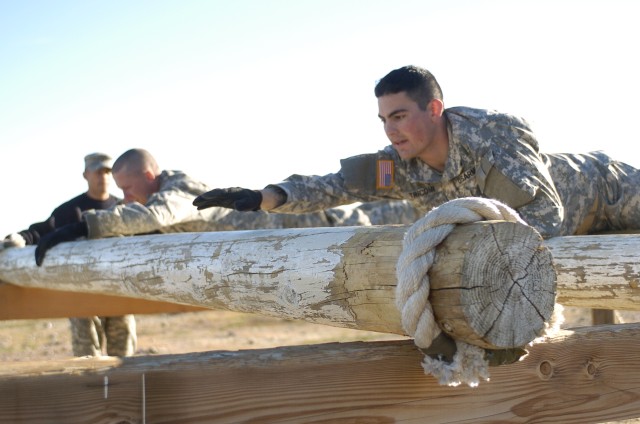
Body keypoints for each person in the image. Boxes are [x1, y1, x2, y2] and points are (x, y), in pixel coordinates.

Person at [192, 65, 640, 239]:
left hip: (608, 189)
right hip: (581, 229)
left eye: (400, 116)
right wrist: (266, 196)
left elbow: (546, 217)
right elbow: (336, 187)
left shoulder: (493, 139)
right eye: (384, 120)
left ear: (434, 109)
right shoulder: (399, 166)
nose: (391, 130)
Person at [34, 148, 419, 265]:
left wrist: (86, 226)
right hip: (303, 240)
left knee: (421, 209)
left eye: (130, 189)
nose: (127, 198)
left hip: (335, 223)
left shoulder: (177, 192)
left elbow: (155, 215)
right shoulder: (151, 193)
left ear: (150, 176)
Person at [3, 153, 137, 357]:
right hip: (82, 296)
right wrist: (18, 238)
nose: (103, 176)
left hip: (121, 292)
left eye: (108, 171)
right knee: (88, 362)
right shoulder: (69, 211)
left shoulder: (124, 208)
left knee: (124, 359)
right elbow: (42, 232)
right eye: (98, 171)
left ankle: (124, 390)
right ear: (86, 175)